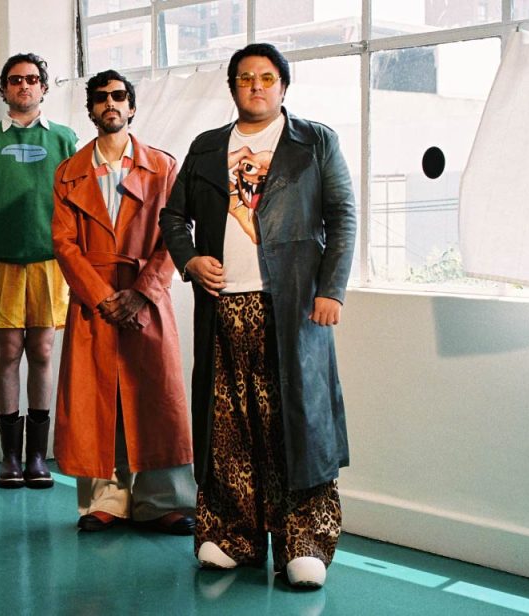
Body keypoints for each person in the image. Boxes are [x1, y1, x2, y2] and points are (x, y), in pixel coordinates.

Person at [159, 42, 357, 588]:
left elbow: (342, 217)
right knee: (227, 427)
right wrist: (190, 259)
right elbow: (173, 216)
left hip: (292, 309)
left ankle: (304, 543)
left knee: (295, 425)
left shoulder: (314, 142)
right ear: (232, 88)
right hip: (224, 308)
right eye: (245, 78)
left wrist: (331, 290)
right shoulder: (205, 147)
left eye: (267, 78)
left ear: (283, 86)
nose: (256, 86)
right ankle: (231, 537)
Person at [51, 69, 195, 535]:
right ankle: (106, 500)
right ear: (90, 109)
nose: (109, 103)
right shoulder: (68, 172)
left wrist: (142, 293)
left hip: (146, 297)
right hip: (93, 300)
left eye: (118, 96)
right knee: (97, 398)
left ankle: (164, 499)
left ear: (132, 106)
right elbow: (63, 243)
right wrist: (101, 297)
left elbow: (176, 234)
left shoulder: (163, 167)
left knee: (156, 396)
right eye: (100, 97)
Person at [0, 53, 77, 489]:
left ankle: (38, 455)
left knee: (44, 352)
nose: (24, 86)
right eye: (15, 80)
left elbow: (77, 199)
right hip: (2, 258)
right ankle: (10, 456)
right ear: (4, 89)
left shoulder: (64, 138)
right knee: (8, 352)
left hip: (50, 259)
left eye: (32, 79)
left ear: (44, 88)